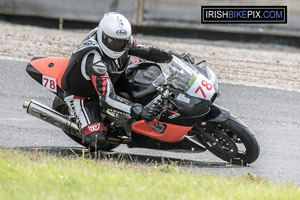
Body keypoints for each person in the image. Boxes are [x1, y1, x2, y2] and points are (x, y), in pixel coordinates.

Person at [61, 12, 195, 147]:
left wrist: (174, 56)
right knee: (96, 141)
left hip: (114, 76)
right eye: (112, 41)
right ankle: (86, 125)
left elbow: (148, 51)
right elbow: (107, 99)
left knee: (145, 68)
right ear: (102, 36)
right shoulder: (95, 62)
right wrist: (139, 110)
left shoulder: (125, 42)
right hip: (84, 95)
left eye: (122, 42)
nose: (118, 45)